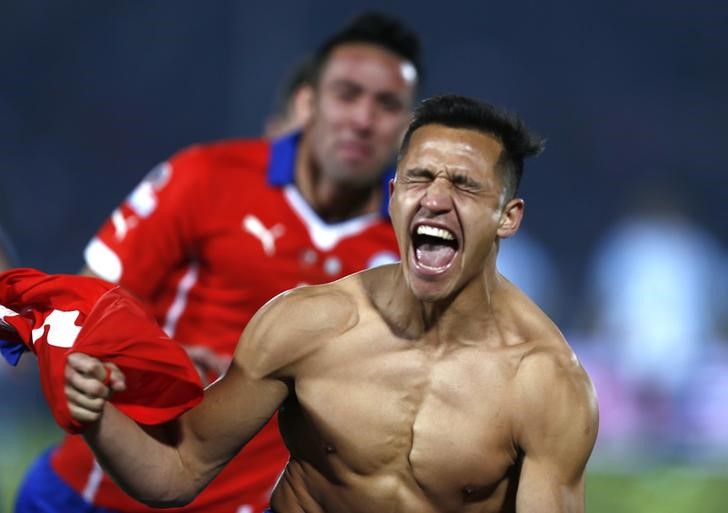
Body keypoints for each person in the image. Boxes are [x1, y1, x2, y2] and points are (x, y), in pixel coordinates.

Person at [63, 94, 599, 512]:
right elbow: (176, 472)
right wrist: (96, 416)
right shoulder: (309, 324)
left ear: (508, 217)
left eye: (463, 185)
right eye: (418, 178)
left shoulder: (544, 382)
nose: (435, 198)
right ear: (392, 196)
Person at [15, 11, 422, 513]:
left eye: (386, 105)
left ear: (408, 129)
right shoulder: (205, 177)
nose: (363, 118)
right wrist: (158, 361)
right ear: (307, 102)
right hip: (96, 497)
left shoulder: (410, 250)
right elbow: (82, 305)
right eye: (347, 94)